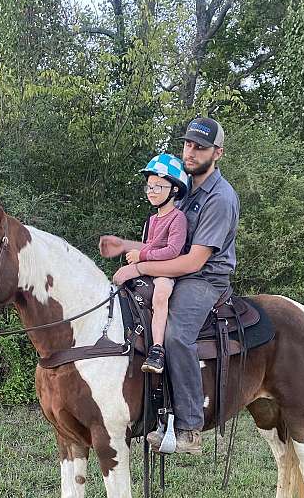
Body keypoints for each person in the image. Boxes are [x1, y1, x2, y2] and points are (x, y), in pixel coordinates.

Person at [100, 116, 239, 455]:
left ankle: (190, 427)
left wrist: (139, 267)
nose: (190, 152)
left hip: (204, 279)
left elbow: (193, 261)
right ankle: (146, 411)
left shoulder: (220, 198)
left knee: (176, 334)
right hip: (178, 271)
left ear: (217, 153)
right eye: (188, 144)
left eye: (200, 147)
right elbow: (168, 246)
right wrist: (125, 245)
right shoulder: (187, 192)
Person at [125, 153, 189, 373]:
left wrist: (141, 256)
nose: (151, 191)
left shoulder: (178, 218)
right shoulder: (151, 220)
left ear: (174, 190)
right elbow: (147, 245)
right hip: (149, 267)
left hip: (165, 271)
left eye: (158, 187)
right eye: (149, 187)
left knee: (161, 294)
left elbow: (173, 251)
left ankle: (157, 350)